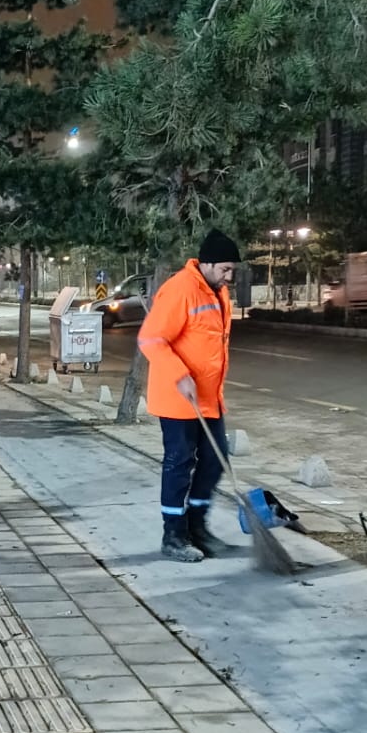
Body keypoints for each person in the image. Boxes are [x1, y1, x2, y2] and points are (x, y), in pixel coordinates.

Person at [137, 228, 239, 563]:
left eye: (232, 270)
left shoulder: (218, 292)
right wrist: (180, 375)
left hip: (209, 398)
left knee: (214, 459)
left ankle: (198, 528)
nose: (229, 275)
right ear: (206, 263)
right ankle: (173, 535)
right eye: (225, 268)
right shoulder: (180, 289)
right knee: (180, 464)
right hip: (179, 397)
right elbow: (151, 339)